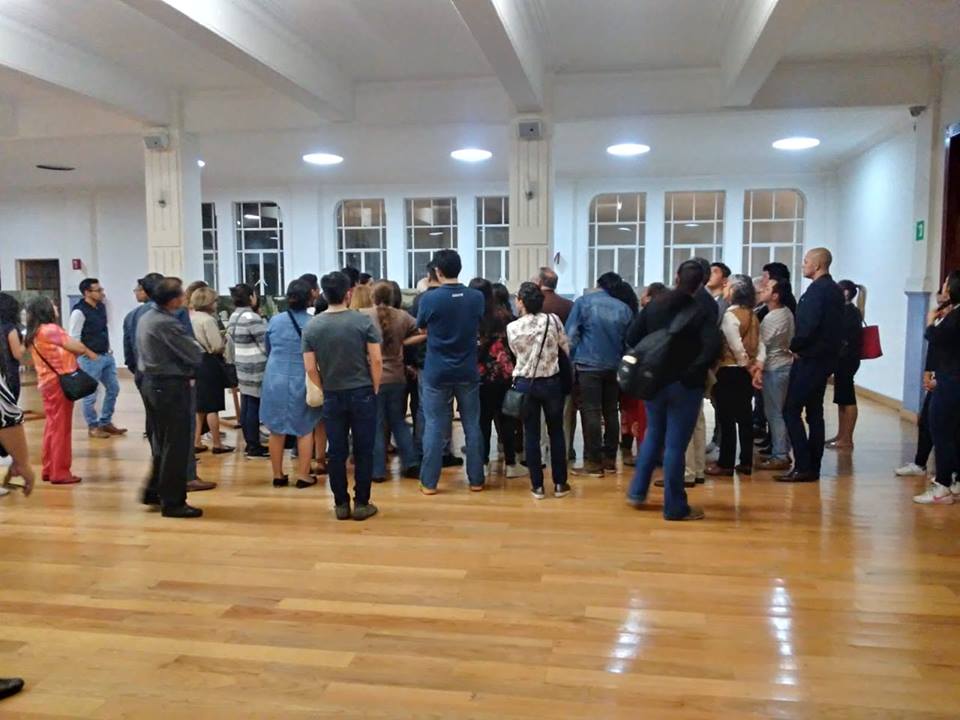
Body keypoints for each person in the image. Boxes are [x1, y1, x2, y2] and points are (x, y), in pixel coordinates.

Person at [626, 260, 722, 520]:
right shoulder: (703, 310)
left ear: (676, 277)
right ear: (701, 282)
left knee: (653, 434)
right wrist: (693, 369)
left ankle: (637, 491)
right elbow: (712, 347)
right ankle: (675, 507)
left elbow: (632, 336)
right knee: (675, 446)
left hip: (654, 381)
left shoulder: (656, 304)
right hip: (685, 385)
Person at [303, 271, 382, 520]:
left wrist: (323, 386)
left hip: (332, 393)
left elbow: (309, 367)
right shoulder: (363, 321)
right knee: (363, 449)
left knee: (336, 451)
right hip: (362, 391)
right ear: (349, 293)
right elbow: (376, 359)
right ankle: (362, 503)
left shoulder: (312, 326)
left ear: (324, 295)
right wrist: (375, 386)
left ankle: (340, 504)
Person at [416, 249, 485, 494]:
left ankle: (429, 483)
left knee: (434, 425)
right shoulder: (476, 297)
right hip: (467, 369)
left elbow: (421, 328)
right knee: (472, 424)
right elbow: (478, 324)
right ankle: (476, 480)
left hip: (437, 371)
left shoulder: (429, 299)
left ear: (437, 271)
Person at [136, 277, 205, 518]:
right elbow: (194, 353)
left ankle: (154, 490)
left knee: (162, 442)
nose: (185, 298)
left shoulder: (146, 317)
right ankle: (173, 502)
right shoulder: (167, 323)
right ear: (173, 300)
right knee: (176, 445)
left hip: (152, 383)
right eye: (182, 294)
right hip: (169, 386)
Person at [776, 248, 844, 482]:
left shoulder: (818, 291)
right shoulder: (833, 290)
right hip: (824, 359)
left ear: (817, 265)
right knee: (815, 413)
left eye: (806, 261)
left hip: (811, 359)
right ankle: (813, 465)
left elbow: (809, 325)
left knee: (791, 410)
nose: (803, 265)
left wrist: (794, 346)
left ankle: (803, 465)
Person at [507, 282, 572, 499]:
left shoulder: (512, 327)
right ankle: (560, 484)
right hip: (552, 382)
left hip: (525, 383)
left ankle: (537, 486)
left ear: (521, 302)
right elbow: (565, 347)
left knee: (531, 434)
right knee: (556, 432)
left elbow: (516, 353)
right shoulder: (553, 320)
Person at [566, 271, 633, 476]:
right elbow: (629, 342)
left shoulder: (584, 302)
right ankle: (610, 460)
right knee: (611, 411)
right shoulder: (624, 308)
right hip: (614, 365)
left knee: (591, 411)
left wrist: (572, 359)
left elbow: (570, 334)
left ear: (598, 284)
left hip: (588, 365)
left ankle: (593, 462)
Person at [26, 296, 96, 484]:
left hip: (46, 382)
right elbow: (78, 347)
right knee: (61, 429)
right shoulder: (51, 329)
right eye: (52, 305)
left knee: (52, 426)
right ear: (45, 309)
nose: (56, 307)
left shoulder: (35, 332)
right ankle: (60, 472)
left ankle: (49, 468)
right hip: (59, 383)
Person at [261, 280, 322, 489]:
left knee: (276, 428)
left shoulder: (275, 320)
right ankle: (303, 475)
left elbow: (268, 347)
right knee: (305, 427)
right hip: (302, 376)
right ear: (310, 298)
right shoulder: (313, 323)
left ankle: (277, 475)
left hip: (275, 377)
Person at [364, 281, 422, 482]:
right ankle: (411, 463)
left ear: (372, 297)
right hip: (397, 377)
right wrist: (403, 343)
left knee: (377, 424)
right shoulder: (403, 316)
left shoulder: (363, 316)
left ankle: (378, 470)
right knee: (398, 421)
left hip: (374, 377)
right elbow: (424, 331)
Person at [706, 275, 761, 476]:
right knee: (745, 417)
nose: (724, 288)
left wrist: (746, 364)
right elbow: (761, 344)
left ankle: (726, 463)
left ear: (735, 291)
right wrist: (756, 366)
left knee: (726, 417)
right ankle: (746, 461)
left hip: (729, 370)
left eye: (727, 285)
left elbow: (735, 346)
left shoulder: (730, 315)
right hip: (745, 373)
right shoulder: (752, 314)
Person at [913, 272, 960, 504]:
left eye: (946, 284)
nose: (943, 288)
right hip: (951, 379)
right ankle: (954, 480)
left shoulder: (956, 316)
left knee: (942, 432)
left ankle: (942, 486)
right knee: (953, 432)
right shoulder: (954, 313)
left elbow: (934, 336)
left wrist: (930, 320)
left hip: (951, 381)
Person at [469, 278, 521, 477]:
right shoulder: (504, 315)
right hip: (503, 372)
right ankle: (511, 463)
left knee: (482, 420)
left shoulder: (471, 316)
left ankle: (482, 462)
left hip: (479, 373)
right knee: (506, 419)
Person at [67, 278, 126, 439]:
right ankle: (92, 426)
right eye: (98, 290)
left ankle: (105, 421)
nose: (102, 293)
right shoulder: (79, 312)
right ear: (87, 292)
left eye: (101, 290)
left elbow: (102, 330)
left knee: (113, 388)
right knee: (90, 394)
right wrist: (88, 353)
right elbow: (74, 338)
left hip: (105, 355)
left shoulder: (100, 307)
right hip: (89, 359)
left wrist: (108, 348)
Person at [754, 278, 796, 471]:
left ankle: (780, 455)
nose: (763, 289)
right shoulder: (784, 312)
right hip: (781, 365)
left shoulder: (774, 317)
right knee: (777, 411)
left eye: (768, 288)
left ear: (776, 296)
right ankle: (780, 450)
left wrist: (757, 367)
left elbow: (763, 344)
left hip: (775, 367)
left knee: (775, 413)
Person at [225, 284, 269, 457]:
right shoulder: (252, 317)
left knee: (247, 404)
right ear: (251, 297)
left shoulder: (234, 316)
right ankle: (254, 445)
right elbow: (266, 344)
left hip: (242, 365)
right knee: (253, 406)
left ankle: (250, 442)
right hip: (256, 366)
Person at [190, 287, 232, 454]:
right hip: (209, 363)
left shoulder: (191, 317)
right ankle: (217, 443)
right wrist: (224, 340)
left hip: (195, 361)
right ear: (208, 302)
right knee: (212, 406)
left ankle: (196, 441)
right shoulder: (208, 320)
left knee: (199, 406)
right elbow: (216, 346)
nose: (216, 303)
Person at [826, 280, 864, 450]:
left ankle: (847, 438)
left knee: (847, 399)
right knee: (842, 399)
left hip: (847, 360)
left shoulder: (850, 312)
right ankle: (841, 435)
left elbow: (845, 338)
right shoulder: (846, 311)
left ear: (846, 293)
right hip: (844, 360)